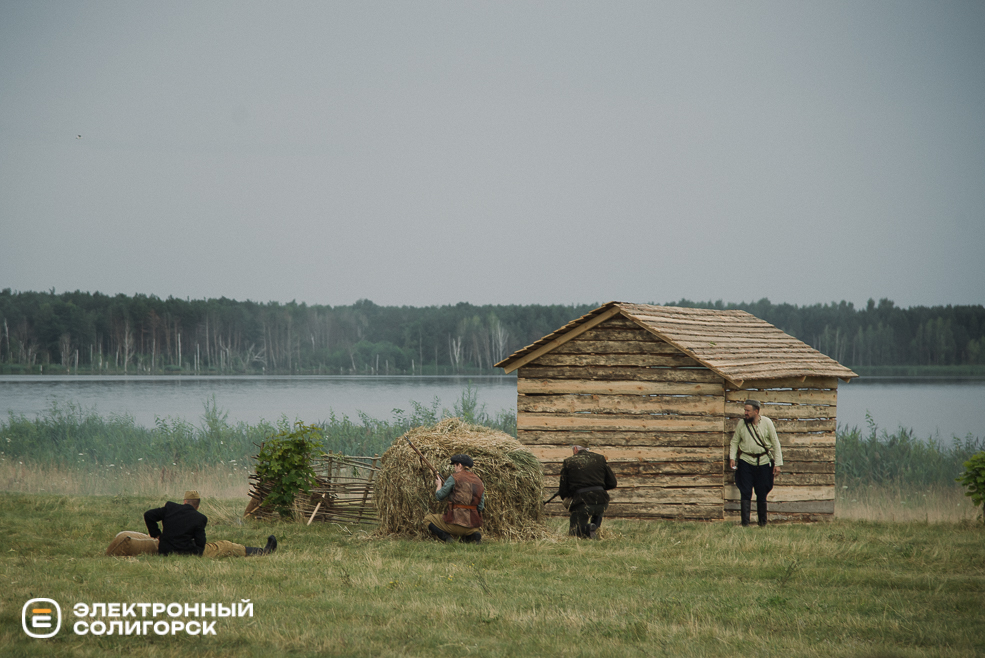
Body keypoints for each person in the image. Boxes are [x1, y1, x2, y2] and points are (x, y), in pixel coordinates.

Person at [132, 490, 277, 557]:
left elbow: (148, 515)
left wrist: (156, 534)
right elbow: (201, 543)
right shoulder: (199, 518)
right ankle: (263, 552)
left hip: (164, 550)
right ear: (198, 506)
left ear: (184, 502)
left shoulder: (170, 507)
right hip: (188, 552)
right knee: (226, 546)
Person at [729, 400, 783, 527]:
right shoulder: (741, 424)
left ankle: (762, 524)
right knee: (745, 491)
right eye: (745, 410)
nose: (745, 413)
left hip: (764, 462)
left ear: (756, 411)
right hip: (745, 462)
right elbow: (734, 442)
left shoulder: (767, 423)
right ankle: (745, 524)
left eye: (748, 410)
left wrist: (778, 463)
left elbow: (775, 443)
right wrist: (732, 457)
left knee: (762, 492)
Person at [557, 445, 617, 539]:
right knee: (597, 515)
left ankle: (589, 528)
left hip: (582, 502)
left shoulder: (569, 461)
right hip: (602, 500)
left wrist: (568, 498)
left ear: (575, 449)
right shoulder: (600, 458)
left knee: (574, 532)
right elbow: (612, 483)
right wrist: (598, 488)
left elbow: (563, 489)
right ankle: (594, 529)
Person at [423, 454, 485, 544]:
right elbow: (480, 507)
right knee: (471, 532)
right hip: (472, 525)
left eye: (455, 465)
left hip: (456, 522)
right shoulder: (479, 482)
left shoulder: (454, 477)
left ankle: (448, 539)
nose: (454, 468)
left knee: (427, 519)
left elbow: (439, 496)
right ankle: (473, 536)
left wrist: (439, 485)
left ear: (459, 465)